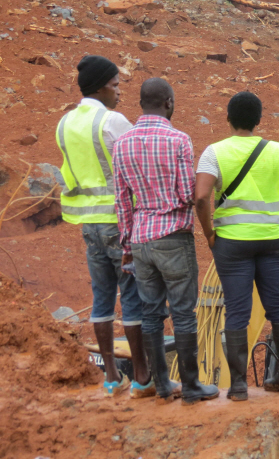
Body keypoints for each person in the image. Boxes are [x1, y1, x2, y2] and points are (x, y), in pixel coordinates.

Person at [195, 91, 279, 401]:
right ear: (259, 120)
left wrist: (209, 233)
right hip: (275, 241)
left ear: (229, 119)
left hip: (232, 245)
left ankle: (237, 386)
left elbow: (201, 197)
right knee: (278, 306)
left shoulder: (213, 152)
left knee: (237, 312)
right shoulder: (278, 151)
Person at [113, 78, 219, 405]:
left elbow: (122, 202)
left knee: (151, 314)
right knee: (184, 313)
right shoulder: (179, 140)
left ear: (141, 103)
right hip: (173, 236)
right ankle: (190, 387)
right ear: (169, 103)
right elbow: (188, 194)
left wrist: (127, 249)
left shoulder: (122, 143)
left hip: (140, 238)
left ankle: (161, 385)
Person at [55, 55, 151, 397]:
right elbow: (137, 166)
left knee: (101, 298)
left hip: (88, 224)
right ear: (99, 88)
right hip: (119, 222)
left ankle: (112, 377)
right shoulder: (112, 122)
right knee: (132, 296)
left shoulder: (64, 123)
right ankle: (141, 375)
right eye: (114, 85)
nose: (118, 92)